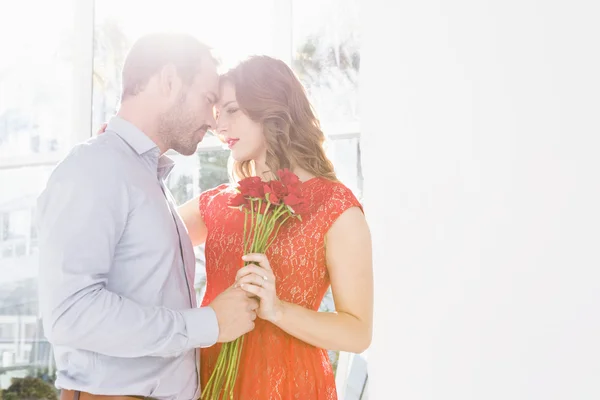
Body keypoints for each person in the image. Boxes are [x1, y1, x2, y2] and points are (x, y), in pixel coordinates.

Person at [36, 33, 258, 400]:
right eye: (208, 100)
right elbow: (70, 312)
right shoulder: (94, 167)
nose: (212, 118)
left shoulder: (140, 175)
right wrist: (208, 324)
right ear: (169, 81)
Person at [178, 55, 373, 399]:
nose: (220, 127)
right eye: (218, 115)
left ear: (273, 107)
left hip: (288, 387)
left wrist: (279, 310)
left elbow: (357, 333)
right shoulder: (219, 203)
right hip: (213, 379)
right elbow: (142, 234)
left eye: (233, 110)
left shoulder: (334, 207)